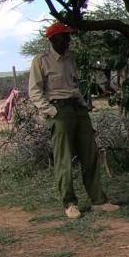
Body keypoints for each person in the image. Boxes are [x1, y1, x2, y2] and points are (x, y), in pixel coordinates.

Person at [28, 22, 120, 219]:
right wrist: (50, 110)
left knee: (90, 154)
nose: (68, 40)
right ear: (52, 39)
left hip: (77, 109)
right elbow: (34, 91)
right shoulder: (41, 61)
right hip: (59, 111)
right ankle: (70, 203)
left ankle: (98, 200)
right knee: (64, 159)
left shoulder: (71, 59)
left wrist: (82, 102)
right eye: (63, 36)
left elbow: (74, 85)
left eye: (68, 36)